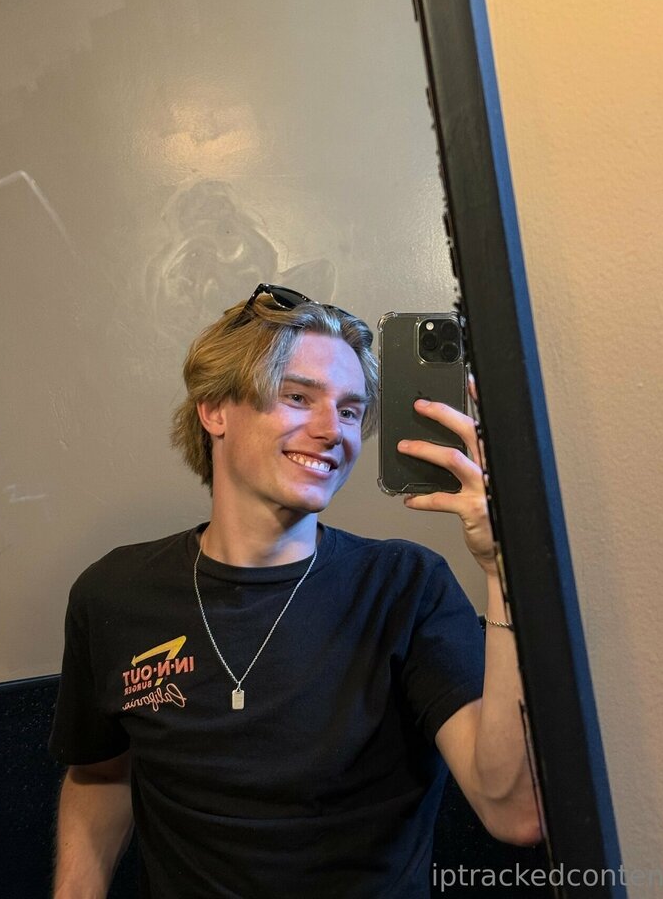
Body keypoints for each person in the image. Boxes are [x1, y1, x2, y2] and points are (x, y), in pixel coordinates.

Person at [49, 284, 541, 899]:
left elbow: (513, 812)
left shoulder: (405, 587)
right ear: (214, 410)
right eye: (298, 397)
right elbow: (100, 775)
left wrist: (504, 571)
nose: (333, 430)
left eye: (351, 411)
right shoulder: (114, 594)